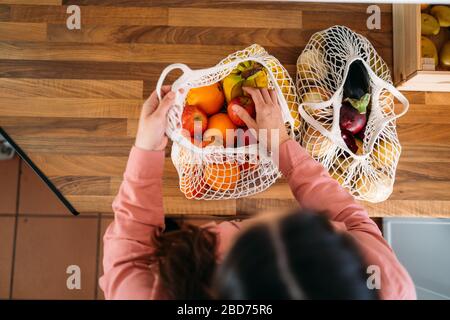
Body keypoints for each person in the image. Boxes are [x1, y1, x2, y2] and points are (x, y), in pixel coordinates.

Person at [99, 85, 416, 300]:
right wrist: (281, 146)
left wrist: (147, 147)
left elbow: (127, 260)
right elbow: (351, 219)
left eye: (247, 236)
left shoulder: (149, 292)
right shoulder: (388, 285)